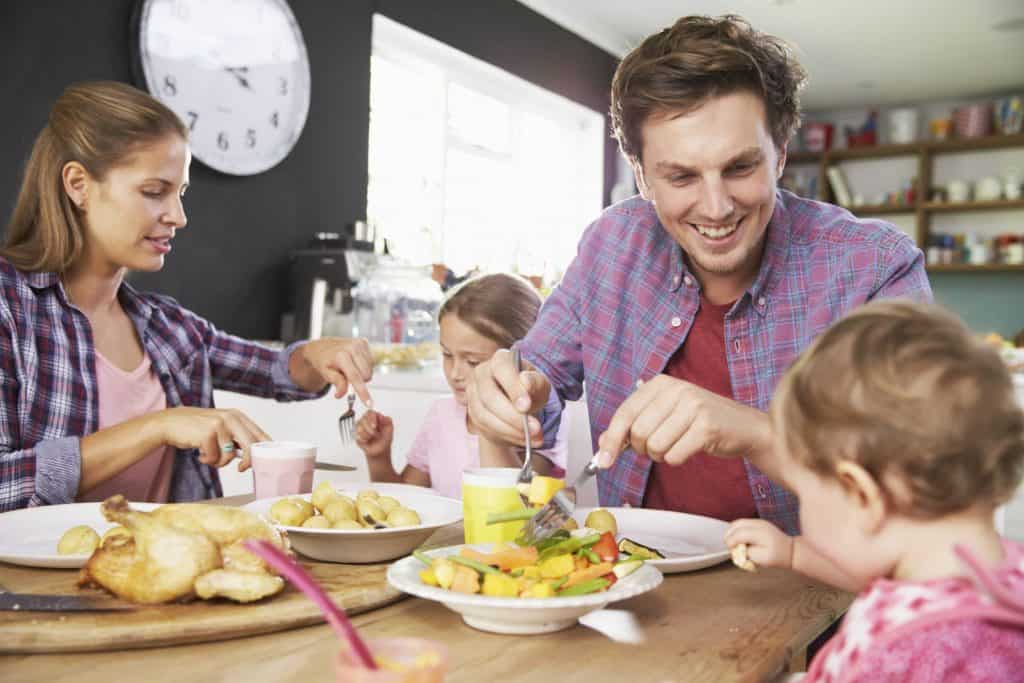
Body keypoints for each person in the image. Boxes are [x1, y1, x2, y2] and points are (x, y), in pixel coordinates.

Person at [465, 14, 931, 533]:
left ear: (779, 154)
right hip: (636, 586)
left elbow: (923, 476)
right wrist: (508, 395)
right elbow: (538, 380)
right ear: (641, 175)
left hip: (823, 597)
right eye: (682, 176)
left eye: (739, 168)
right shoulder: (611, 245)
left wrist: (757, 434)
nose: (716, 207)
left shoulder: (875, 266)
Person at [0, 81, 374, 512]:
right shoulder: (12, 309)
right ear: (79, 184)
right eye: (154, 192)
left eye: (180, 193)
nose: (177, 216)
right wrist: (158, 427)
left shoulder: (169, 328)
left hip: (169, 576)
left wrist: (317, 355)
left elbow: (274, 370)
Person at [725, 300, 1024, 681]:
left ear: (862, 495)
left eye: (804, 492)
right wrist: (794, 553)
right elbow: (890, 585)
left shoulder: (898, 655)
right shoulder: (1002, 576)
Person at [355, 273, 568, 499]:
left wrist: (488, 427)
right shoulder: (441, 415)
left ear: (520, 361)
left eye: (473, 362)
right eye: (447, 355)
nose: (455, 373)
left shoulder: (538, 421)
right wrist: (379, 458)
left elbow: (520, 507)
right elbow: (406, 503)